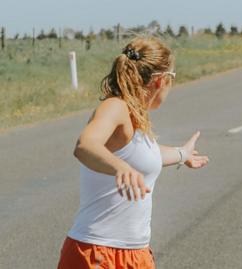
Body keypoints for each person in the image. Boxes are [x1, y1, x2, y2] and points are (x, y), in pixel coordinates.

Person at [57, 36, 209, 269]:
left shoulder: (136, 118)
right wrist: (121, 168)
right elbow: (85, 145)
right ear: (161, 80)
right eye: (173, 78)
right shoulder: (115, 106)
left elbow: (143, 156)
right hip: (97, 253)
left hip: (135, 253)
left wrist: (182, 154)